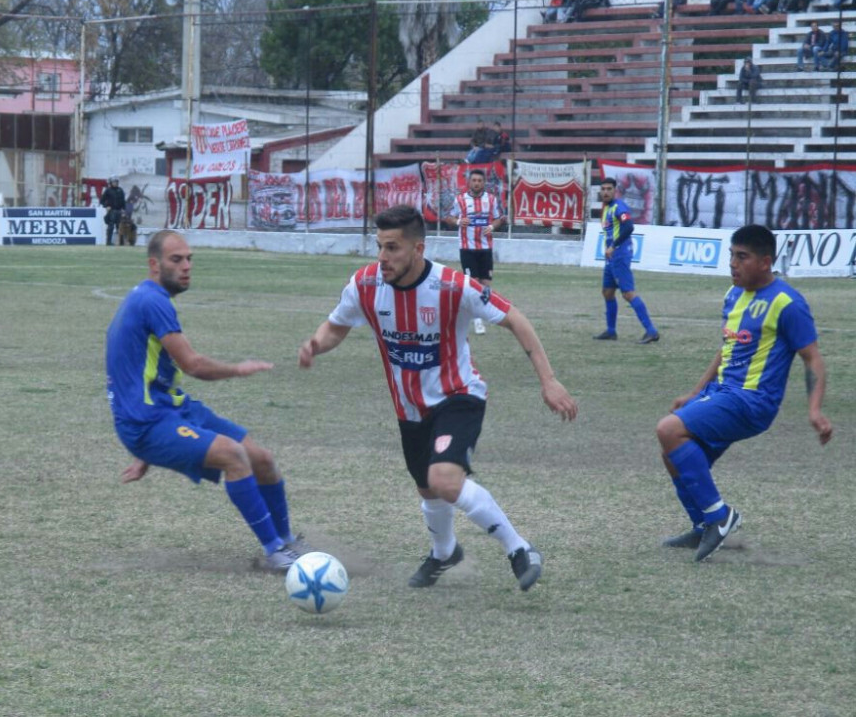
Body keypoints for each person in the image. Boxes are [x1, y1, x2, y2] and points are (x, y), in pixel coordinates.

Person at [298, 205, 578, 592]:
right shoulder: (364, 285)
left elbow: (515, 318)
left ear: (418, 248)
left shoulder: (452, 286)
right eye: (379, 247)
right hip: (409, 407)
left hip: (458, 396)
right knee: (427, 488)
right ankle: (445, 553)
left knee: (444, 479)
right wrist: (315, 345)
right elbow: (335, 327)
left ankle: (520, 549)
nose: (383, 258)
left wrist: (549, 381)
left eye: (392, 248)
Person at [106, 230, 305, 571]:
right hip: (148, 422)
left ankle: (286, 542)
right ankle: (274, 553)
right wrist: (239, 370)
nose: (186, 267)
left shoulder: (149, 298)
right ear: (154, 265)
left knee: (262, 459)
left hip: (171, 408)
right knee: (234, 456)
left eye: (189, 259)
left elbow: (133, 372)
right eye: (176, 260)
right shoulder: (151, 301)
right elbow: (193, 365)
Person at [656, 225, 832, 562]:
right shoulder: (733, 295)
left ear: (765, 262)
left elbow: (812, 359)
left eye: (742, 257)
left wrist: (815, 410)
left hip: (752, 401)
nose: (733, 264)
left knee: (668, 429)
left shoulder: (787, 303)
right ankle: (704, 524)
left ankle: (720, 516)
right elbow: (727, 348)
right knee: (672, 452)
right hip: (723, 393)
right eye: (731, 256)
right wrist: (695, 392)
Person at [593, 178, 659, 344]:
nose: (606, 192)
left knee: (628, 293)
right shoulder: (606, 208)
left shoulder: (619, 206)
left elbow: (629, 226)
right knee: (607, 292)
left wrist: (613, 246)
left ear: (615, 191)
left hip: (620, 254)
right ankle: (611, 331)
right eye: (603, 189)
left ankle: (651, 331)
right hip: (611, 256)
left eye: (609, 189)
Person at [444, 169, 505, 335]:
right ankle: (477, 320)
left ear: (484, 182)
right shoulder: (460, 199)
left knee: (486, 285)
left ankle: (481, 313)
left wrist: (492, 226)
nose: (477, 183)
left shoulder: (491, 200)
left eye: (480, 180)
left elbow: (500, 218)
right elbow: (447, 217)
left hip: (485, 248)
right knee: (474, 283)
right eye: (474, 180)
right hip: (467, 248)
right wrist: (458, 221)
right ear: (469, 182)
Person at [100, 178, 128, 245]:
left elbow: (123, 201)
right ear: (111, 182)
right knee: (111, 227)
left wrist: (124, 210)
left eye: (116, 182)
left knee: (120, 227)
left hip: (119, 211)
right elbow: (102, 201)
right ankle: (108, 242)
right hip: (112, 211)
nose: (115, 183)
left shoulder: (120, 190)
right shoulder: (108, 190)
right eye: (114, 182)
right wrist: (106, 206)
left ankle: (121, 242)